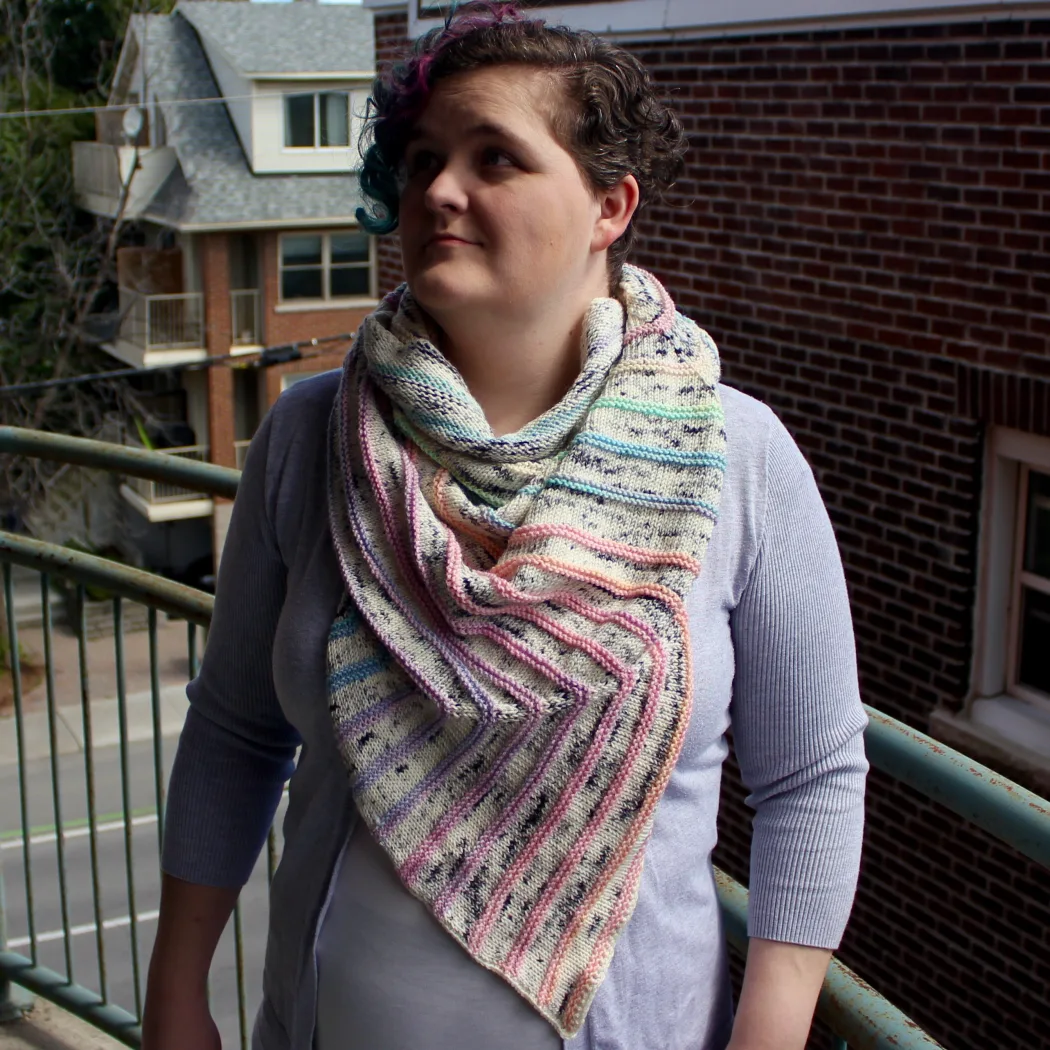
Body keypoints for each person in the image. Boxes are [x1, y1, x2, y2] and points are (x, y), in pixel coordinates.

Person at [142, 5, 868, 1049]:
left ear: (609, 205)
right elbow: (236, 730)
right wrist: (177, 989)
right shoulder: (313, 440)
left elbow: (812, 778)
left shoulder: (736, 458)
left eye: (496, 157)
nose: (439, 188)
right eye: (425, 157)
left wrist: (770, 1033)